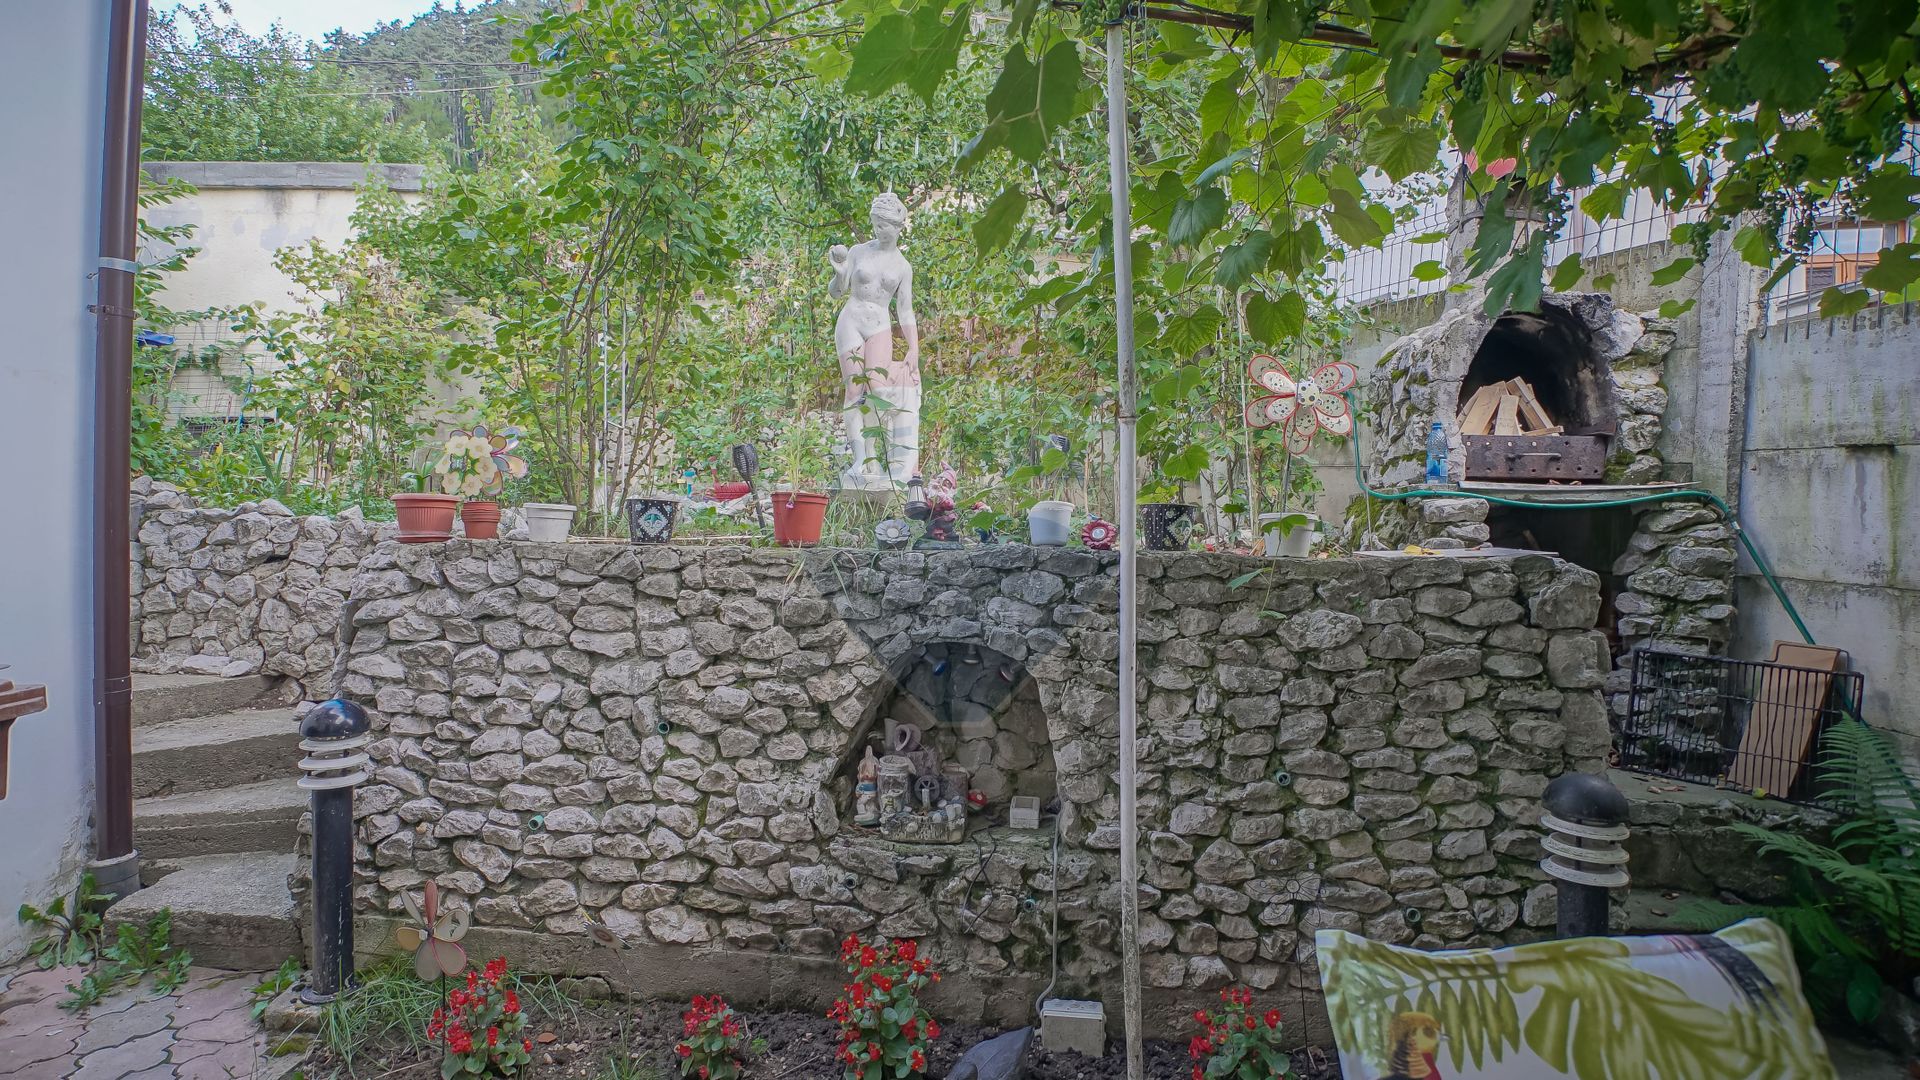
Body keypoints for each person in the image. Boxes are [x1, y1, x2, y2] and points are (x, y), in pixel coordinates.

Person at [829, 191, 920, 490]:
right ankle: (861, 458)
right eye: (876, 224)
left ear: (898, 226)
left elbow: (905, 310)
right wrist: (839, 272)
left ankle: (876, 454)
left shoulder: (903, 266)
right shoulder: (858, 251)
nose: (879, 230)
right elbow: (837, 292)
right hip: (852, 321)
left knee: (878, 389)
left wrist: (914, 348)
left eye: (885, 225)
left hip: (880, 324)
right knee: (855, 389)